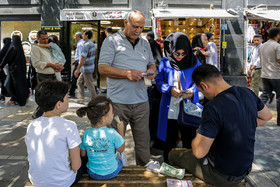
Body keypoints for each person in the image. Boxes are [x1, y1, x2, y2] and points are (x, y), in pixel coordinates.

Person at [169, 64, 272, 186]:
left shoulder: (212, 107)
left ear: (204, 85)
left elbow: (199, 152)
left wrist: (198, 133)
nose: (203, 95)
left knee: (174, 154)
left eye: (201, 91)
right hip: (243, 170)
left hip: (221, 175)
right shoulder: (247, 93)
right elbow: (267, 116)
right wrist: (244, 123)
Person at [98, 10, 156, 166]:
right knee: (116, 143)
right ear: (125, 22)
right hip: (118, 104)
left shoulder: (144, 43)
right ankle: (113, 172)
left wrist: (151, 71)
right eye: (135, 26)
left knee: (143, 143)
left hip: (141, 102)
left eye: (141, 27)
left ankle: (144, 175)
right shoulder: (111, 41)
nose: (138, 31)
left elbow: (151, 63)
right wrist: (127, 74)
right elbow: (102, 68)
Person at [25, 80, 82, 187]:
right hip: (63, 182)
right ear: (58, 104)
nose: (68, 100)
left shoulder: (32, 125)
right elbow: (76, 166)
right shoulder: (69, 126)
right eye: (66, 98)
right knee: (84, 161)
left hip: (36, 180)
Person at [156, 32, 201, 163]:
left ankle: (189, 165)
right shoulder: (165, 62)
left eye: (183, 53)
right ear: (170, 50)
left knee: (189, 139)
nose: (180, 57)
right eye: (177, 53)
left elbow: (200, 82)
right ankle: (168, 165)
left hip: (188, 108)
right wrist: (169, 89)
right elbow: (159, 82)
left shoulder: (194, 62)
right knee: (169, 139)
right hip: (169, 108)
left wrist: (192, 91)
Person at [77, 96, 125, 179]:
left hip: (92, 172)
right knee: (119, 161)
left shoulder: (86, 134)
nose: (113, 115)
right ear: (103, 118)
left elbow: (83, 154)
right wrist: (121, 131)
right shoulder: (112, 133)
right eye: (112, 113)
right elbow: (121, 149)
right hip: (111, 172)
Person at [31, 30, 64, 118]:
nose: (45, 40)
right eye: (43, 39)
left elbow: (54, 59)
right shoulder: (35, 48)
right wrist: (50, 65)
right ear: (37, 38)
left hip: (53, 74)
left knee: (53, 97)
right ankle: (37, 115)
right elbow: (36, 64)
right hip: (43, 76)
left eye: (46, 38)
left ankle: (51, 115)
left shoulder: (47, 47)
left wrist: (58, 66)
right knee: (46, 98)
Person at [146, 31, 164, 149]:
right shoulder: (162, 62)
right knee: (158, 119)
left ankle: (151, 141)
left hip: (150, 93)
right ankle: (158, 141)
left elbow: (147, 82)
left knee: (150, 118)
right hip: (160, 94)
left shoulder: (147, 63)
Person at [0, 35, 29, 106]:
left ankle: (15, 98)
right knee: (20, 85)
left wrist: (1, 66)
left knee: (11, 85)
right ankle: (20, 100)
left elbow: (7, 58)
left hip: (14, 70)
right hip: (20, 70)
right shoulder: (19, 48)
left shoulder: (13, 47)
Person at [259, 27, 280, 126]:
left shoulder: (262, 46)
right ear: (277, 35)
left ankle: (255, 114)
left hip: (265, 74)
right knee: (279, 98)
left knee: (264, 96)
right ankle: (279, 121)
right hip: (276, 75)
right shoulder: (277, 46)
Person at [74, 30, 97, 103]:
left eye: (83, 35)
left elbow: (83, 57)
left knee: (89, 84)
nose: (82, 36)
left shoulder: (86, 45)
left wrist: (78, 69)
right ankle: (81, 98)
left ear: (87, 36)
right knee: (79, 82)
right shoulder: (92, 44)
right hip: (88, 67)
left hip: (86, 68)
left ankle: (94, 100)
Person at [69, 32, 84, 98]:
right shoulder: (81, 43)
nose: (74, 38)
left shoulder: (80, 44)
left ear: (79, 37)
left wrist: (78, 66)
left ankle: (71, 92)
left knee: (74, 77)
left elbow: (81, 56)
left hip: (79, 63)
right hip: (78, 62)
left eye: (75, 36)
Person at [0, 37, 11, 101]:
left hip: (2, 69)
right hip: (9, 69)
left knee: (3, 82)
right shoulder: (11, 49)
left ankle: (2, 94)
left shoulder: (3, 50)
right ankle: (8, 93)